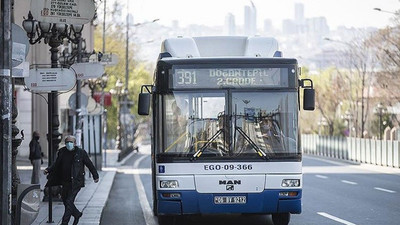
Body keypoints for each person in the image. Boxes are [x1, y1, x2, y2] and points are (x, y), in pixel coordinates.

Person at [44, 135, 99, 225]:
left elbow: (89, 164)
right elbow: (56, 164)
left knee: (69, 201)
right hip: (64, 182)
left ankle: (64, 223)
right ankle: (77, 214)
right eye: (67, 142)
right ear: (65, 143)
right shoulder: (62, 152)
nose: (69, 144)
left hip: (76, 182)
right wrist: (48, 169)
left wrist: (95, 175)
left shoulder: (81, 153)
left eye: (71, 142)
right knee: (66, 202)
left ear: (75, 143)